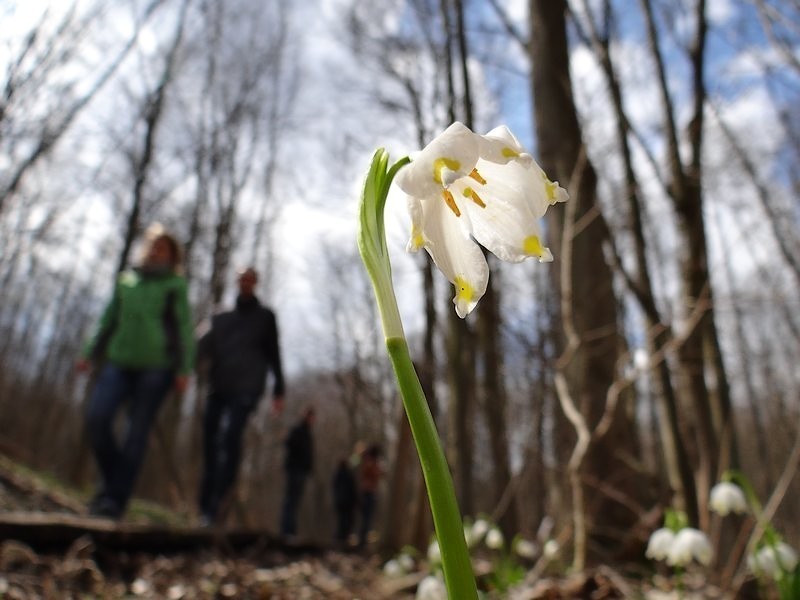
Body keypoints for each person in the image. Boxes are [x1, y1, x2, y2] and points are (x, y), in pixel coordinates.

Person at [78, 223, 195, 519]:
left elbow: (182, 327)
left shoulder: (174, 286)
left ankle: (114, 501)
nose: (157, 251)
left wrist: (184, 368)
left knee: (136, 432)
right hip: (118, 360)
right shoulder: (126, 281)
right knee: (97, 418)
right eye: (154, 245)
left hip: (157, 367)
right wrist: (90, 351)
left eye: (164, 248)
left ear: (172, 256)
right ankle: (113, 481)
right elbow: (107, 319)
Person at [196, 266, 285, 526]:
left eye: (250, 279)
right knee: (210, 443)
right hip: (218, 386)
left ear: (255, 283)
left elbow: (274, 353)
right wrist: (184, 366)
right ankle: (204, 507)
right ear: (237, 281)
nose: (245, 282)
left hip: (247, 388)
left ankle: (217, 509)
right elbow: (201, 346)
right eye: (242, 278)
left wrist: (279, 389)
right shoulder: (220, 315)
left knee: (230, 438)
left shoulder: (265, 317)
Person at [279, 407, 315, 537]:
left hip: (302, 472)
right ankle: (286, 530)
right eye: (309, 416)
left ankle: (291, 530)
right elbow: (288, 444)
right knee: (290, 500)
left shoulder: (308, 434)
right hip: (294, 470)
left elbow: (309, 454)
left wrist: (309, 469)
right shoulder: (297, 430)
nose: (311, 420)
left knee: (296, 501)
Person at [357, 443, 383, 548]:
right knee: (366, 517)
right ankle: (362, 541)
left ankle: (363, 539)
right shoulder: (370, 462)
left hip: (369, 492)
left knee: (367, 517)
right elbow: (376, 473)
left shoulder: (370, 462)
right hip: (368, 492)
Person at [331, 455, 358, 546]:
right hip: (347, 502)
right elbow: (352, 489)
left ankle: (342, 537)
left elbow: (335, 488)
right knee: (346, 520)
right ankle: (342, 538)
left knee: (343, 520)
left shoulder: (339, 475)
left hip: (342, 502)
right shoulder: (347, 475)